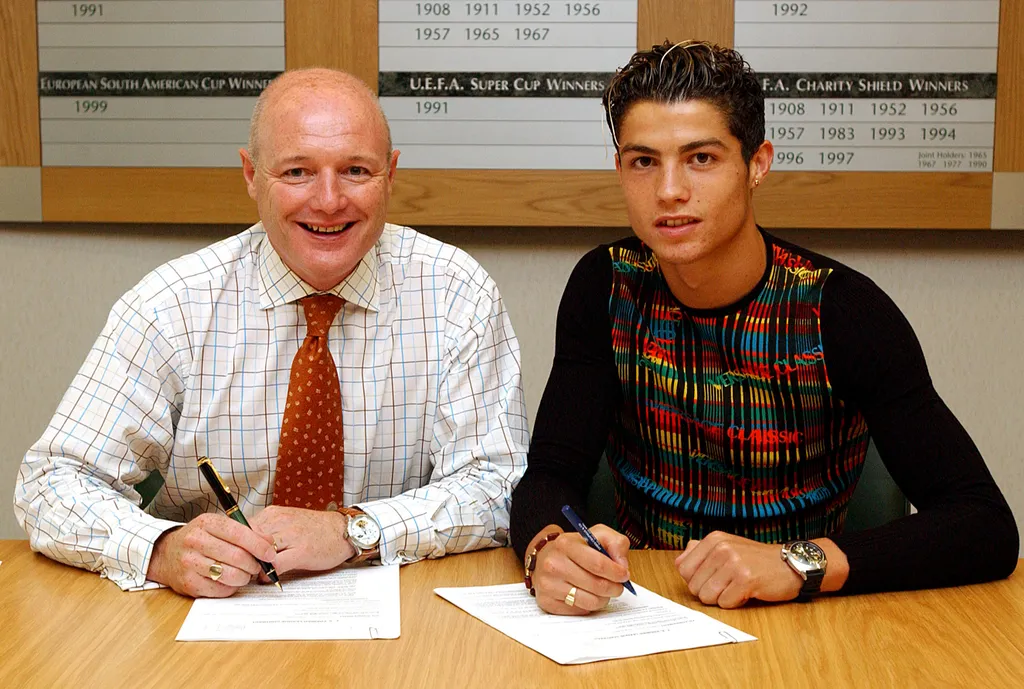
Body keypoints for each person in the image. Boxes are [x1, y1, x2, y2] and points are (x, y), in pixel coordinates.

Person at [510, 41, 1018, 614]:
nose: (669, 190)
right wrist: (548, 549)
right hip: (645, 608)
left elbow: (984, 524)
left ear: (757, 164)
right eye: (644, 161)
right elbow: (550, 473)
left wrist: (797, 562)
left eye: (701, 158)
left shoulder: (841, 310)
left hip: (808, 616)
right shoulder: (606, 286)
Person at [15, 69, 528, 598]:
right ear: (251, 175)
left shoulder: (456, 295)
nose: (328, 200)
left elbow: (498, 486)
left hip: (402, 606)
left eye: (355, 170)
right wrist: (161, 548)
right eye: (297, 172)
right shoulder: (172, 306)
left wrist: (353, 530)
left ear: (390, 176)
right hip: (214, 607)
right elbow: (50, 482)